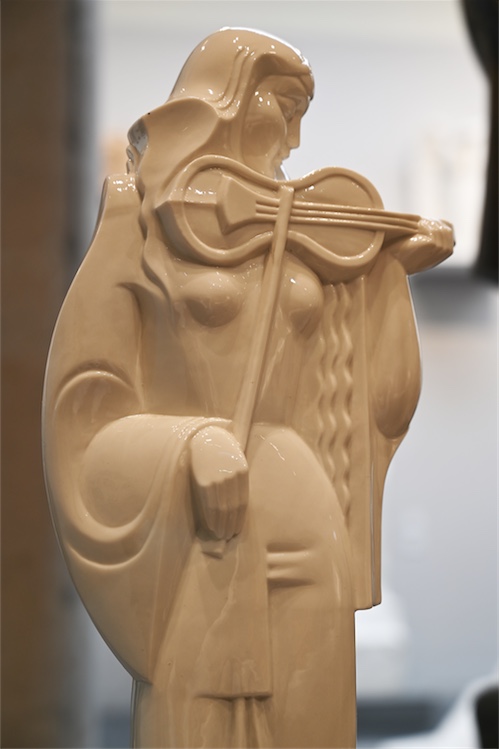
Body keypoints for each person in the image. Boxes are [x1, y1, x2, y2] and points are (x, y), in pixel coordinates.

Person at [43, 29, 453, 748]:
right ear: (226, 99)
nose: (294, 138)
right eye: (282, 107)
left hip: (307, 515)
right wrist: (189, 445)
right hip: (206, 529)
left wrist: (390, 275)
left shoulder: (304, 227)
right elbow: (86, 400)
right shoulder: (139, 215)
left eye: (302, 116)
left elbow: (380, 399)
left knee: (312, 720)